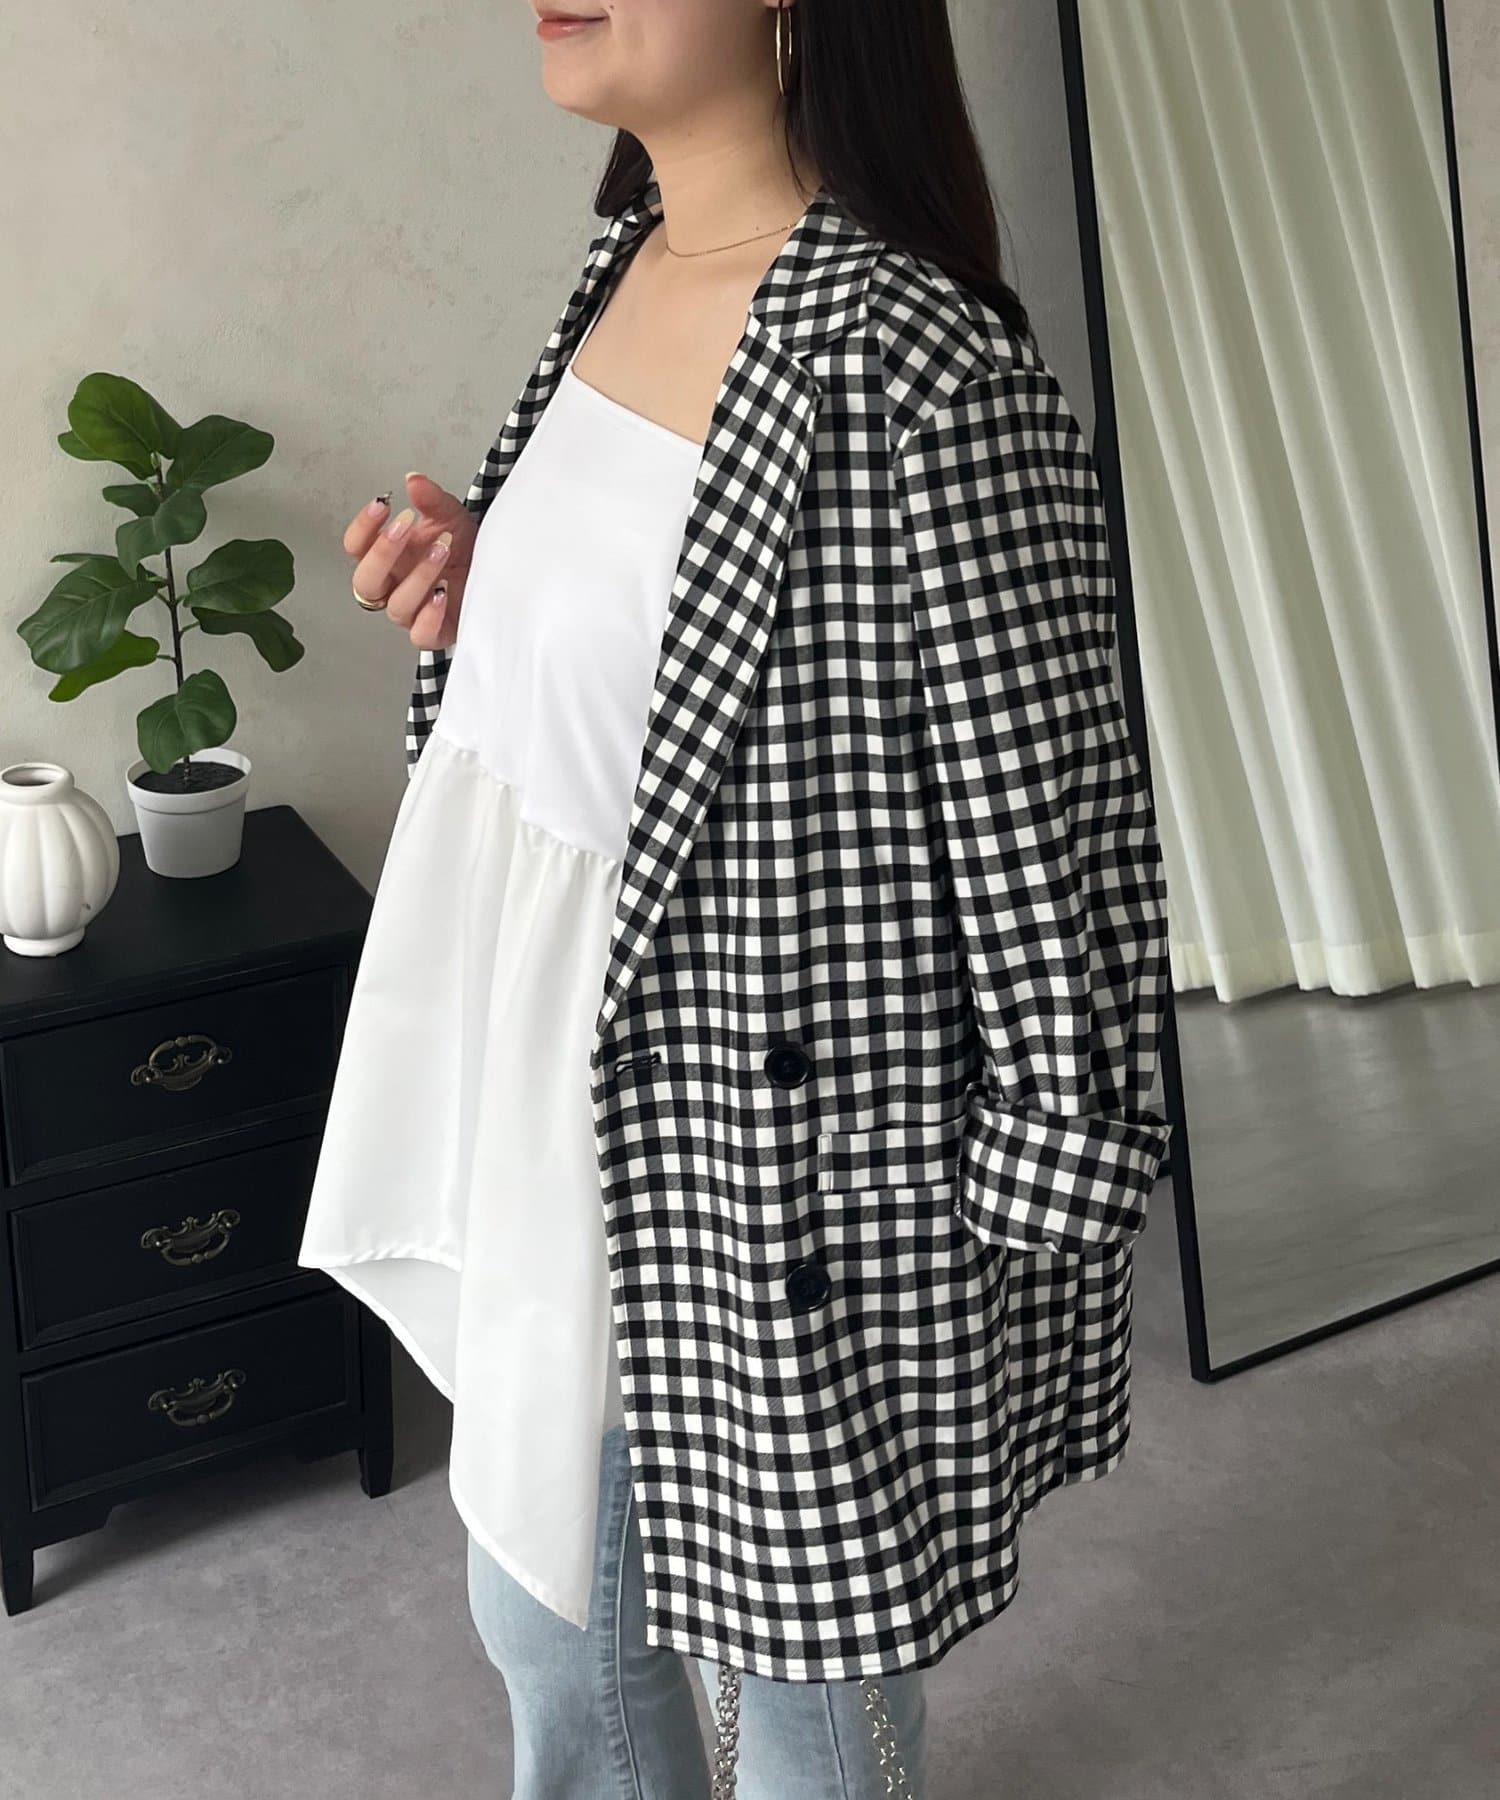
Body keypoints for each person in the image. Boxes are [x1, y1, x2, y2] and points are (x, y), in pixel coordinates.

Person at [298, 1, 1175, 1795]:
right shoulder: (628, 263)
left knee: (802, 1705)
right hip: (566, 1088)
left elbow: (1056, 821)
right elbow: (674, 682)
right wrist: (493, 600)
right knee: (548, 1620)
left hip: (778, 1148)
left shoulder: (920, 362)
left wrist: (1046, 1175)